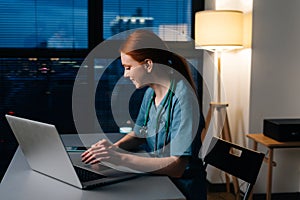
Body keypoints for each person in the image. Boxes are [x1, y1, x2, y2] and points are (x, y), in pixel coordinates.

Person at [81, 29, 207, 200]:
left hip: (181, 190)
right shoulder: (151, 93)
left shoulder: (184, 99)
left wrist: (120, 159)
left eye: (128, 67)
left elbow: (177, 167)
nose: (125, 75)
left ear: (148, 64)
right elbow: (140, 134)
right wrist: (112, 149)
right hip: (160, 180)